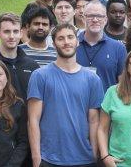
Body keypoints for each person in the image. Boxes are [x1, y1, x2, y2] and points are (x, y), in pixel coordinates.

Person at [27, 24, 104, 167]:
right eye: (61, 39)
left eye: (70, 37)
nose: (66, 42)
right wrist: (36, 157)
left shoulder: (92, 79)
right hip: (49, 158)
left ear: (77, 41)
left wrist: (94, 153)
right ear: (54, 43)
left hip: (84, 158)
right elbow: (33, 119)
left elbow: (94, 120)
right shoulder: (40, 76)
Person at [0, 13, 40, 101]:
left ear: (21, 33)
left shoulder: (32, 66)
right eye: (7, 31)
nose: (11, 36)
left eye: (15, 31)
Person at [76, 2, 127, 91]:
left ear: (106, 19)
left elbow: (122, 84)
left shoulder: (118, 48)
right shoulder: (71, 46)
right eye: (90, 16)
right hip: (76, 103)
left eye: (99, 16)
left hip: (106, 104)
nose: (95, 20)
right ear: (84, 18)